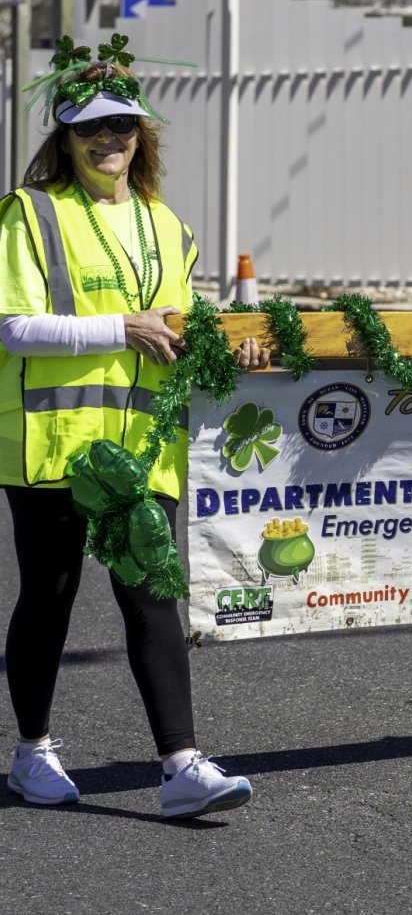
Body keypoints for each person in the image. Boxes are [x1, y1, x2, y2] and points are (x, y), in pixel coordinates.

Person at [0, 46, 270, 815]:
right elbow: (13, 326)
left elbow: (178, 330)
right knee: (49, 594)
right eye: (91, 129)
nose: (108, 140)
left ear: (142, 135)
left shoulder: (166, 224)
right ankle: (32, 753)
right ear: (64, 137)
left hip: (144, 447)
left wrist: (233, 347)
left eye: (122, 125)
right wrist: (121, 327)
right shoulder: (31, 213)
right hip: (54, 444)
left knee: (153, 592)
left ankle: (182, 766)